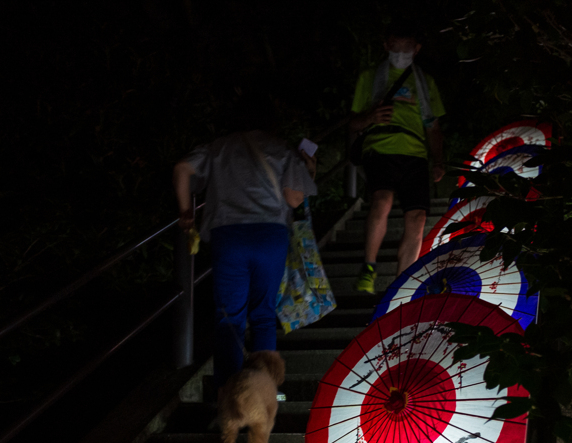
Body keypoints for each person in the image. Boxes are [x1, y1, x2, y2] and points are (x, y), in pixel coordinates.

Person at [173, 106, 317, 393]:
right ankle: (264, 389)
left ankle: (227, 389)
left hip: (228, 236)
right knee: (263, 313)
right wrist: (309, 168)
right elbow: (294, 199)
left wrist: (186, 211)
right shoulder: (282, 148)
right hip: (270, 235)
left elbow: (181, 169)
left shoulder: (217, 147)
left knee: (229, 315)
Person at [349, 19, 446, 294]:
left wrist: (438, 160)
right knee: (382, 198)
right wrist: (370, 117)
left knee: (417, 217)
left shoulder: (425, 82)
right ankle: (369, 266)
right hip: (380, 147)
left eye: (407, 47)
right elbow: (353, 123)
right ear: (387, 45)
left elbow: (433, 126)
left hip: (416, 153)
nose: (401, 52)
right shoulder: (370, 77)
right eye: (396, 47)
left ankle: (402, 285)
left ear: (416, 49)